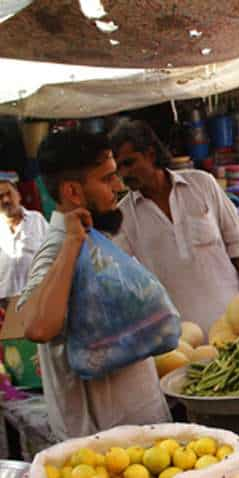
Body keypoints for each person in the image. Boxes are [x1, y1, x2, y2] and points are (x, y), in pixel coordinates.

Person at [17, 129, 171, 439]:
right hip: (103, 449)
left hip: (142, 433)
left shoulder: (96, 238)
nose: (119, 186)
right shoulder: (58, 248)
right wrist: (72, 242)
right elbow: (36, 328)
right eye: (106, 179)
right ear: (73, 192)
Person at [109, 120, 239, 334]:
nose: (124, 174)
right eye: (119, 167)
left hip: (234, 321)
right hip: (183, 337)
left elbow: (237, 244)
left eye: (129, 163)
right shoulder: (123, 216)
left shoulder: (202, 184)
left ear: (150, 155)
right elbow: (120, 279)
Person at [0, 171, 48, 307]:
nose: (6, 200)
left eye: (9, 194)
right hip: (4, 306)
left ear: (19, 195)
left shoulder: (36, 219)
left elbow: (54, 253)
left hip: (37, 299)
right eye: (0, 197)